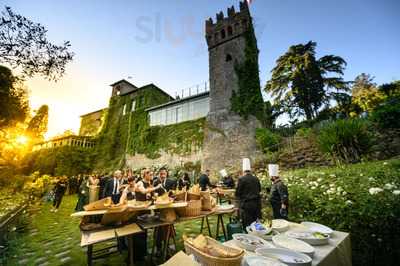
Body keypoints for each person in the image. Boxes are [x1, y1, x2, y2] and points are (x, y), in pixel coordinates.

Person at [235, 158, 262, 228]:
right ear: (250, 171)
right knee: (257, 224)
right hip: (257, 204)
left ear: (243, 171)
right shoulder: (256, 178)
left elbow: (237, 193)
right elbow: (259, 189)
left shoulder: (241, 179)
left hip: (247, 205)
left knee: (248, 225)